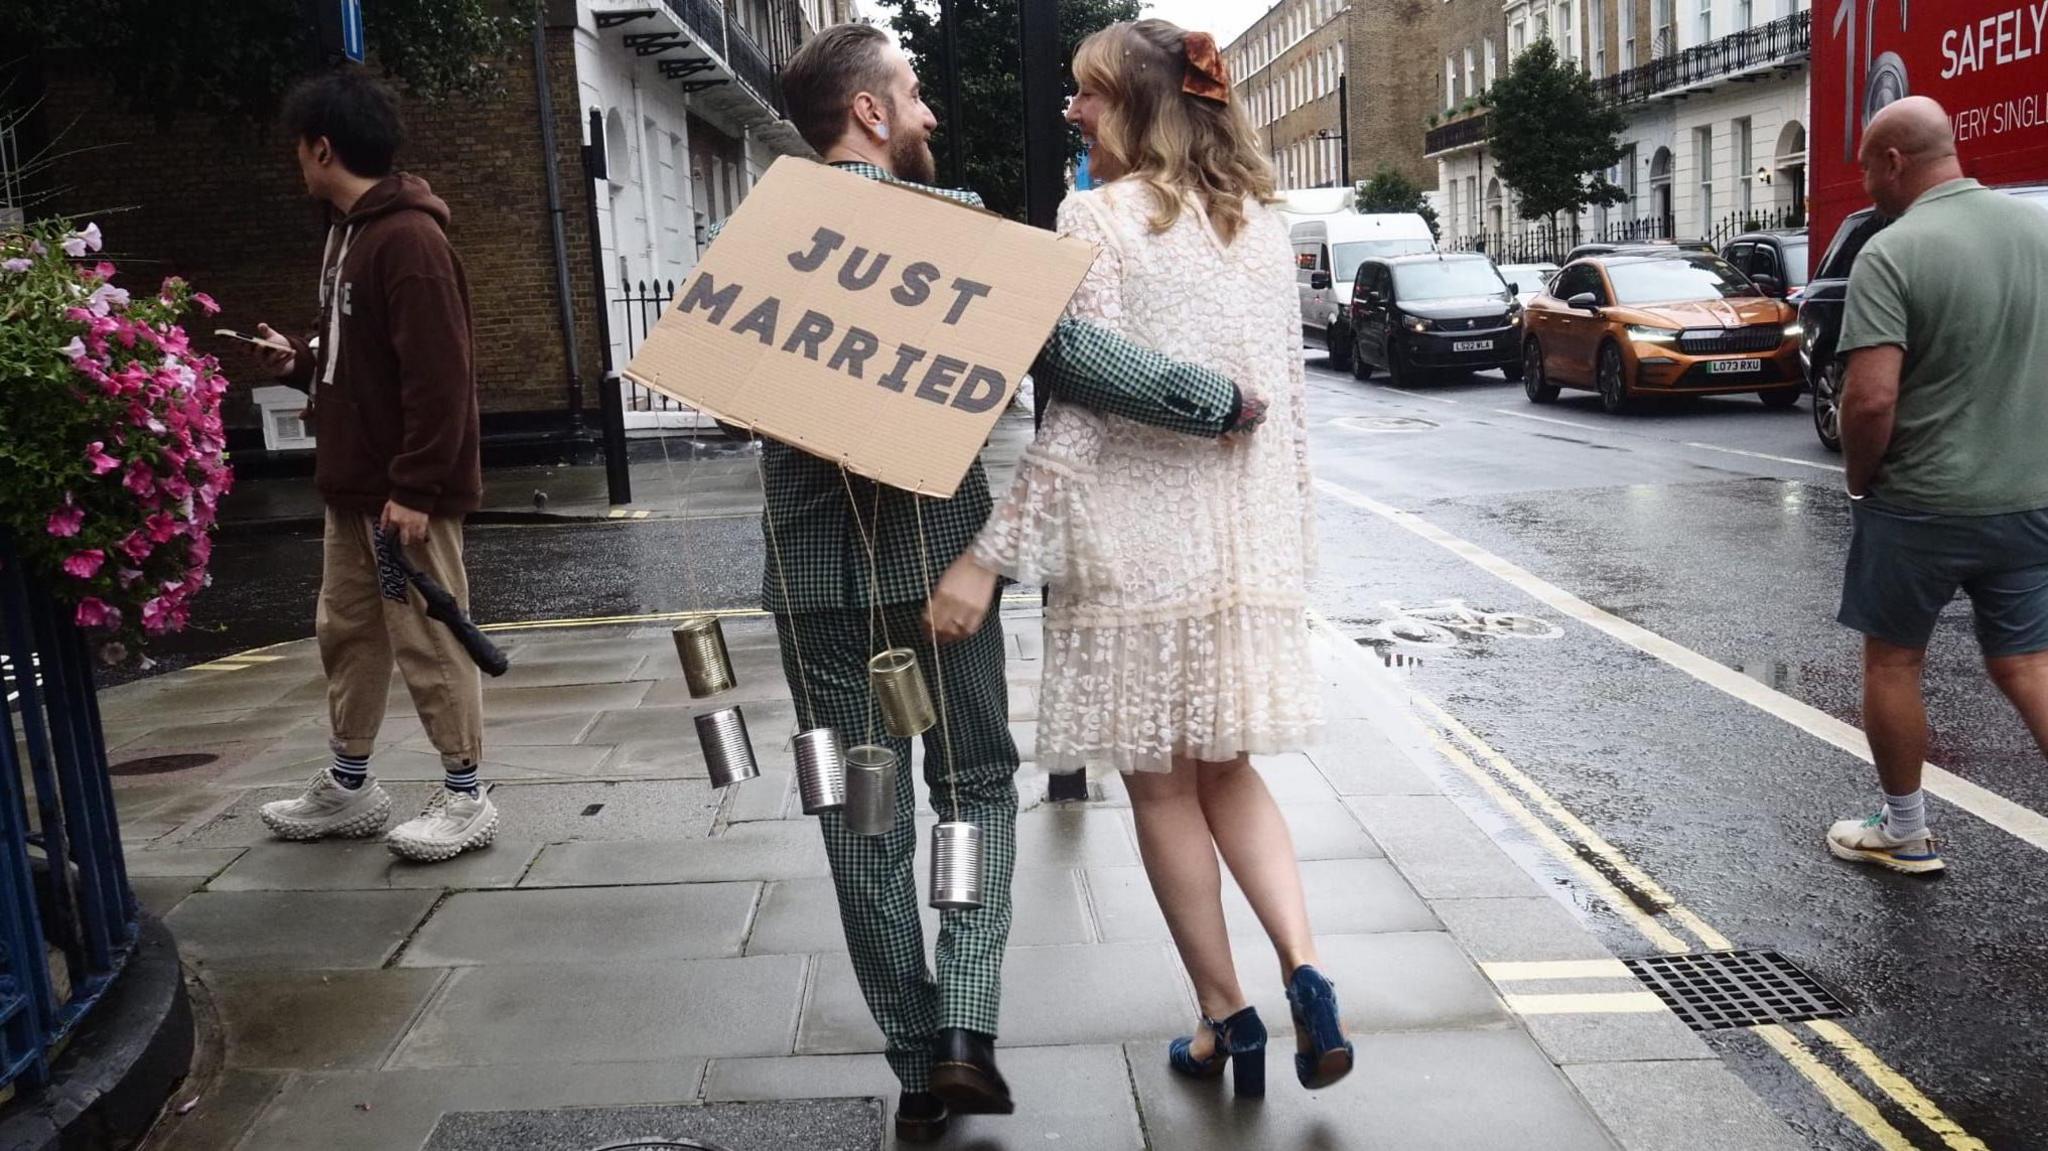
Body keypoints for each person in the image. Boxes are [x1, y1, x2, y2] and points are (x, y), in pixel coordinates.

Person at [756, 23, 1259, 1145]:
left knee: (859, 820)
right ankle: (966, 1030)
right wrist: (1211, 400)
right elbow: (1075, 359)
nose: (929, 112)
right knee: (974, 784)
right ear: (872, 115)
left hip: (817, 587)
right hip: (942, 573)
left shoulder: (763, 237)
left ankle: (915, 1062)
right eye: (914, 92)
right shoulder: (956, 229)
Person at [929, 19, 1349, 1098]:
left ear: (1141, 106)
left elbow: (1075, 421)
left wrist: (988, 556)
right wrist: (1288, 541)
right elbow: (1288, 407)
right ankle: (1306, 969)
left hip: (1134, 548)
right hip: (1241, 543)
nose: (1070, 111)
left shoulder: (1094, 219)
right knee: (1232, 770)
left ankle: (1226, 1017)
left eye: (1088, 95)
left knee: (1162, 791)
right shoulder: (1257, 219)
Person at [250, 70, 498, 864]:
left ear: (323, 147)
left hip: (400, 493)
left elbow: (440, 375)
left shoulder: (409, 241)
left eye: (300, 148)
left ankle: (466, 796)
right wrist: (299, 361)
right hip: (355, 484)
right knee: (348, 633)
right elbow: (361, 359)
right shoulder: (350, 234)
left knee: (428, 635)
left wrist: (417, 487)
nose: (297, 162)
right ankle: (352, 784)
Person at [1826, 95, 2048, 875]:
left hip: (1919, 503)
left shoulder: (1894, 251)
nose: (1863, 186)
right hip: (2027, 497)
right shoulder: (2039, 231)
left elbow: (1871, 397)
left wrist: (1860, 480)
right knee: (2030, 664)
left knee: (1893, 663)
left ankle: (1905, 829)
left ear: (1894, 161)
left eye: (1865, 166)